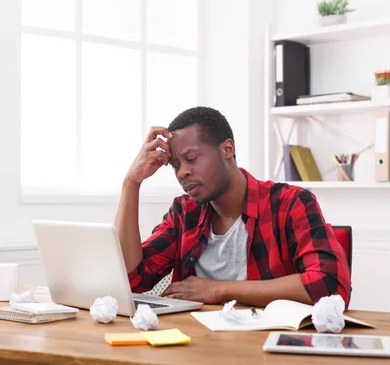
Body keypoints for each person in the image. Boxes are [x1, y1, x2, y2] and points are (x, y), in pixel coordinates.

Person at [114, 106, 351, 307]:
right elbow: (131, 280)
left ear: (227, 149)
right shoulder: (184, 212)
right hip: (195, 345)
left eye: (192, 159)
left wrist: (220, 290)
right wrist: (131, 183)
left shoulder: (291, 203)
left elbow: (329, 284)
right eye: (175, 165)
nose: (182, 172)